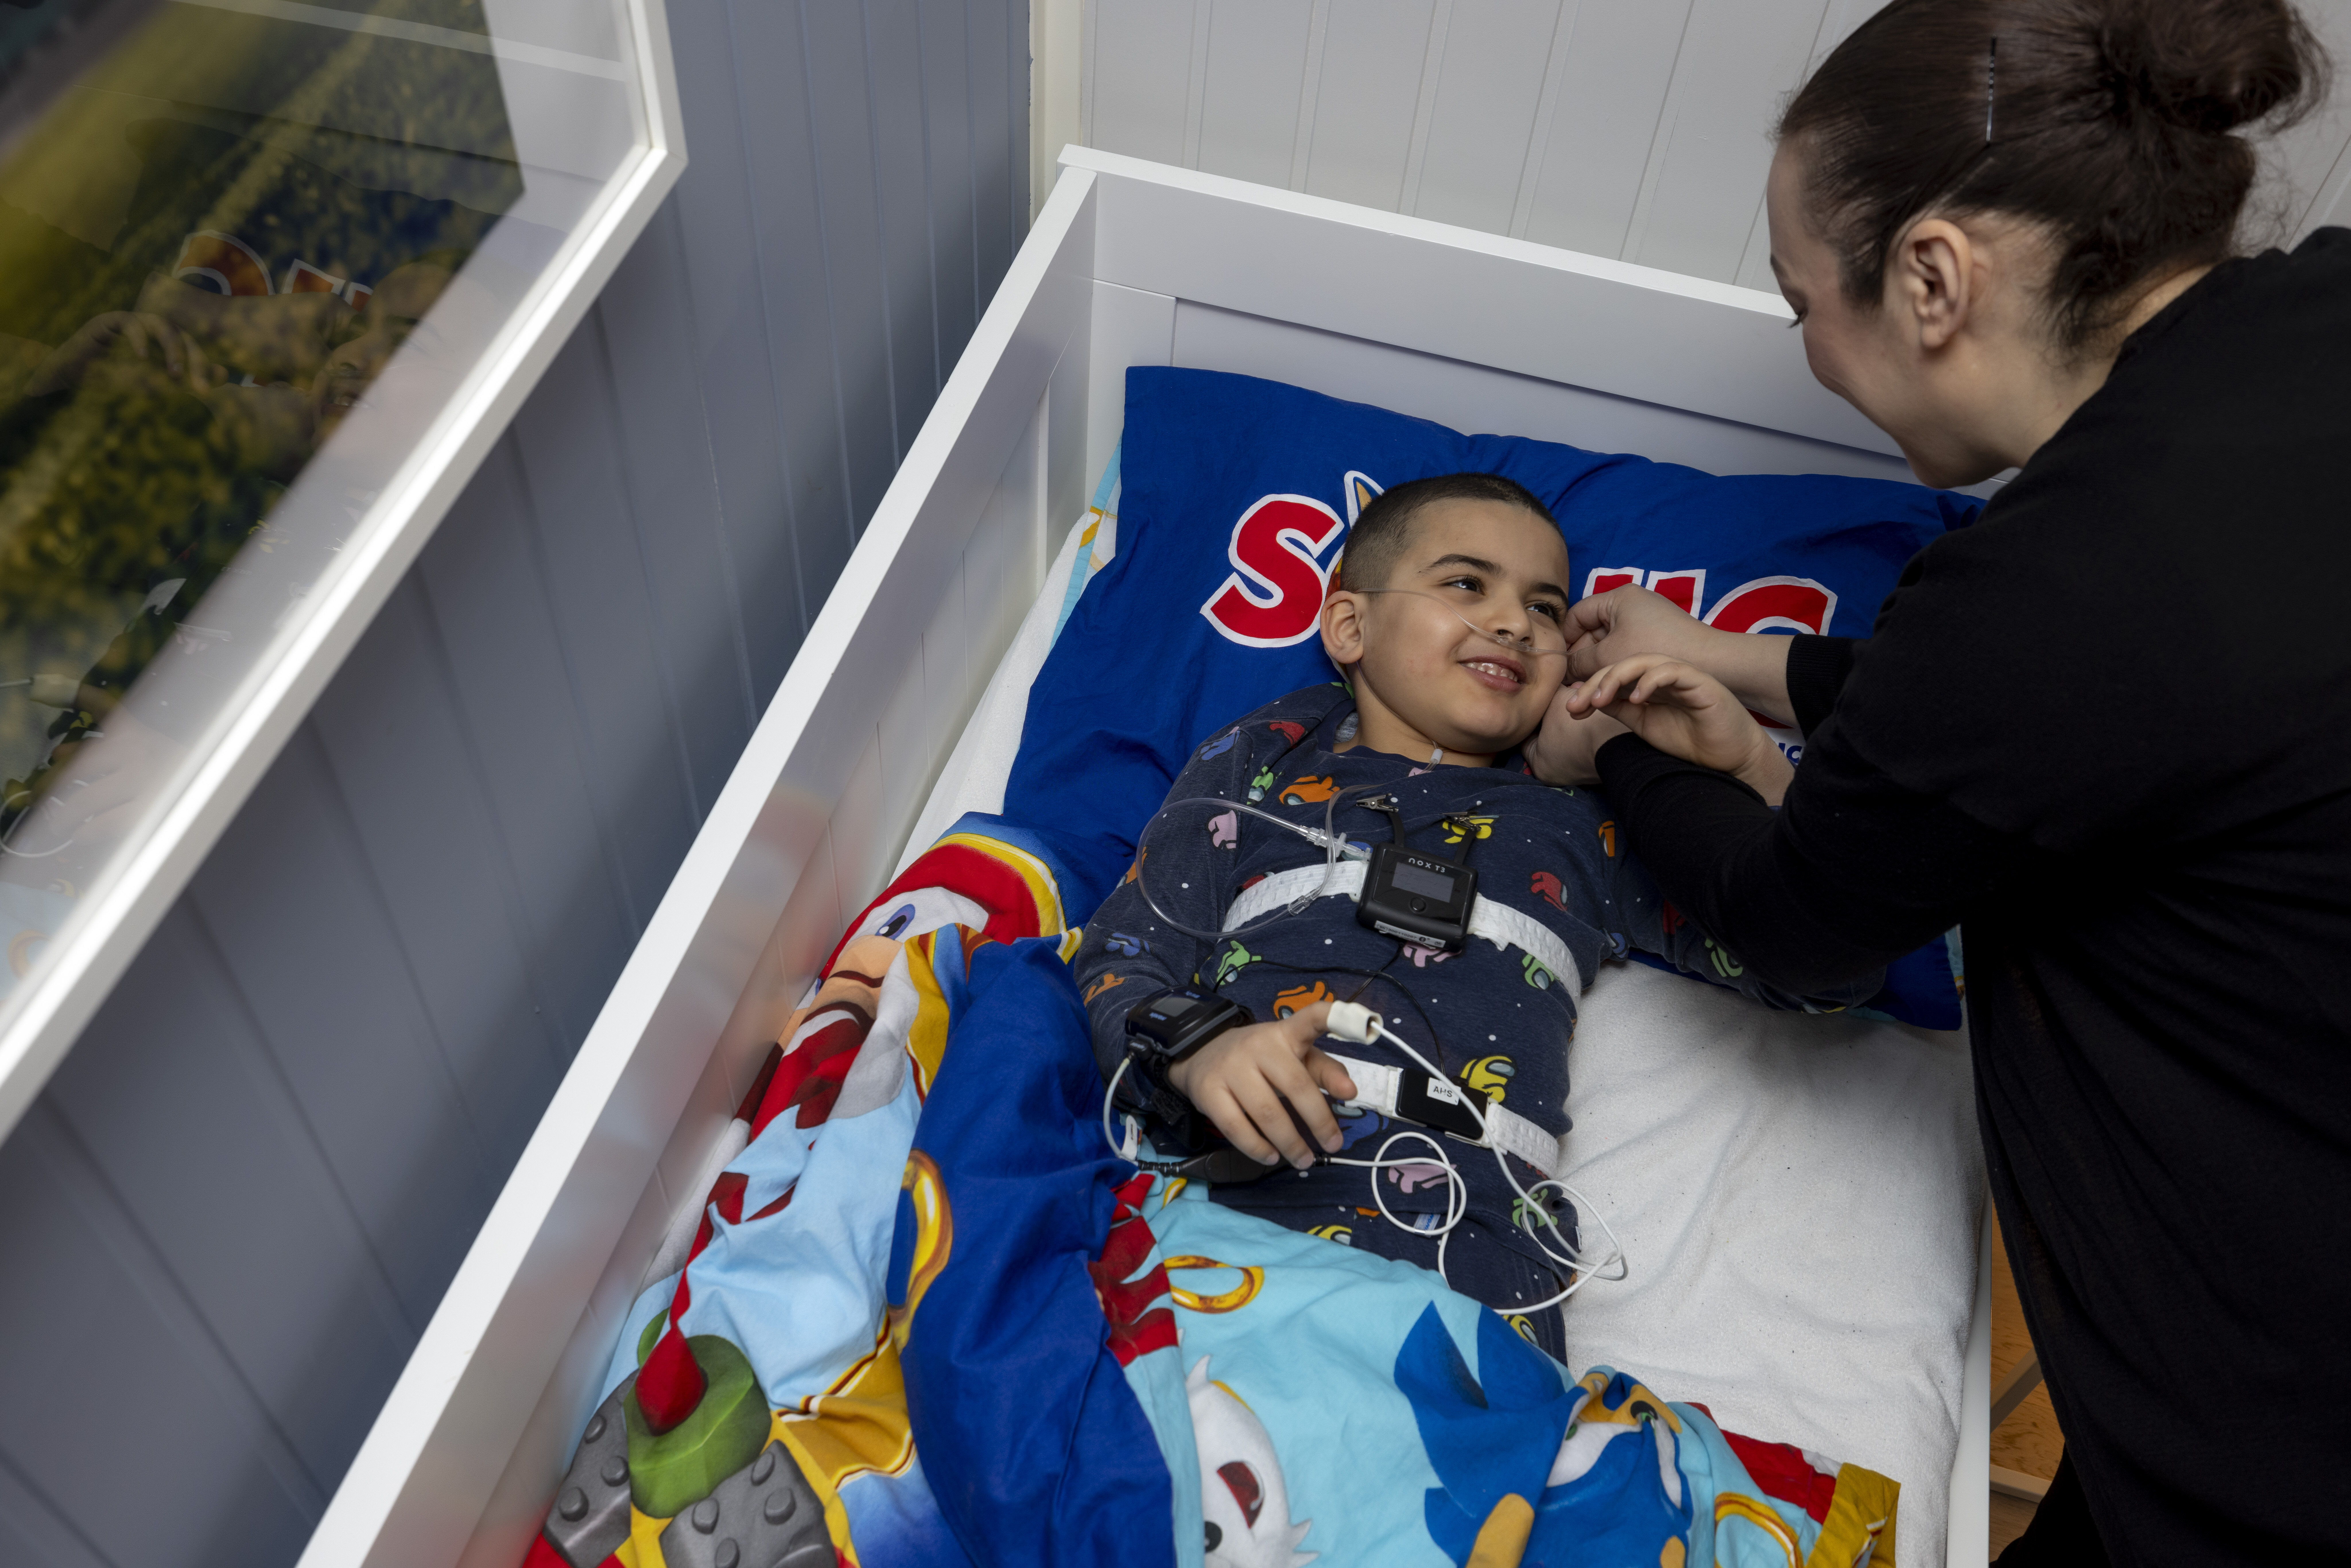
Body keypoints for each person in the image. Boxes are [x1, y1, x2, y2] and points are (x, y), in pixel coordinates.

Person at [1530, 1, 2348, 1563]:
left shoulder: (2060, 585)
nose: (1804, 346)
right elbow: (2097, 702)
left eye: (1801, 303)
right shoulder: (2313, 311)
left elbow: (1798, 917)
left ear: (1931, 278)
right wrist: (1752, 663)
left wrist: (1618, 746)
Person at [1071, 474, 1875, 1357]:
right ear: (1350, 627)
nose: (1514, 624)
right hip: (1228, 1201)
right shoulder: (1269, 759)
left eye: (1545, 608)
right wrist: (1199, 1049)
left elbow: (1820, 967)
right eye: (1466, 583)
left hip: (1474, 1254)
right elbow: (1122, 955)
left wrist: (1752, 766)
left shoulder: (1587, 819)